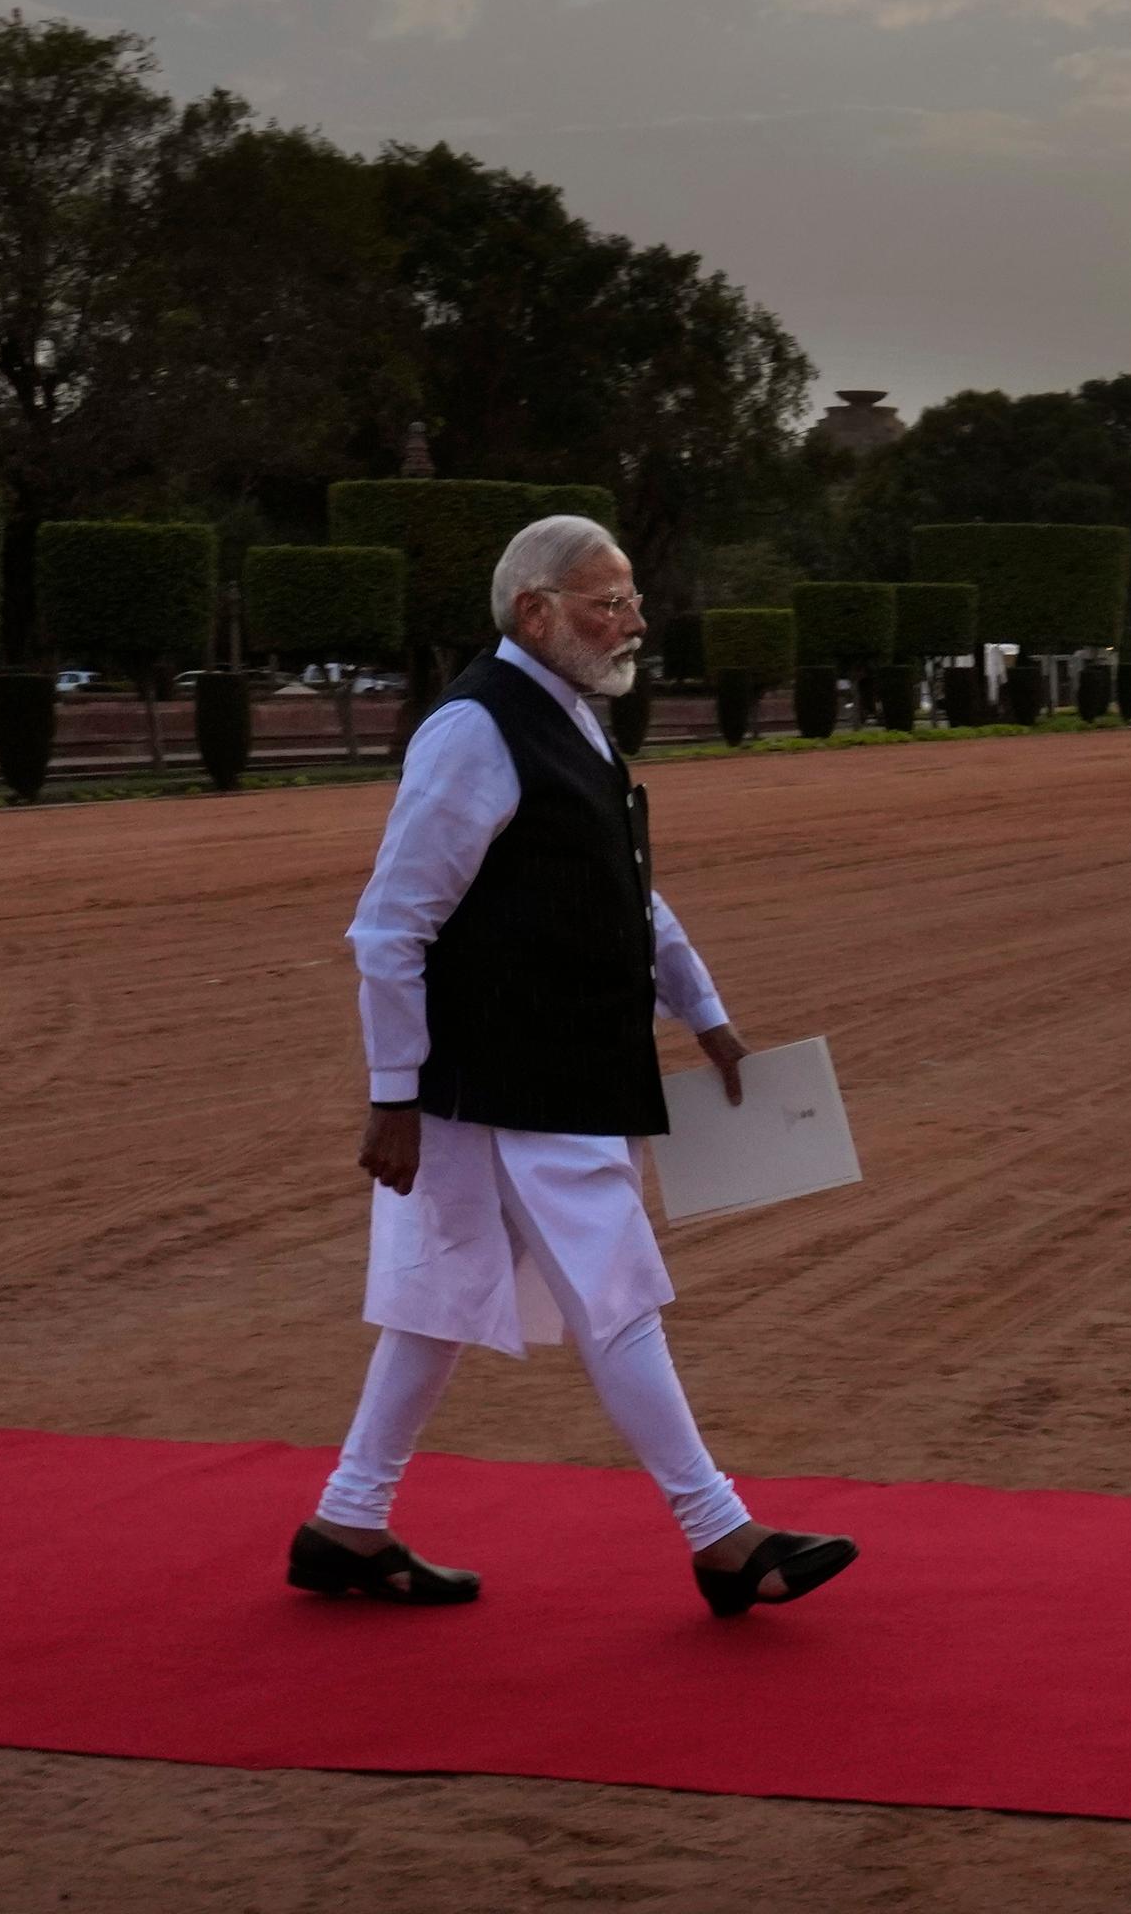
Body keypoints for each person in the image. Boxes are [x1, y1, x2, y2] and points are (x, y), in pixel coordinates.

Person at [287, 516, 857, 1619]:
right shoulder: (476, 731)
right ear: (532, 611)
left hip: (528, 1069)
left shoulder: (566, 721)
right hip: (514, 1075)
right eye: (607, 601)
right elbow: (390, 928)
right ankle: (722, 1535)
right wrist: (393, 1093)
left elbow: (619, 889)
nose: (632, 619)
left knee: (440, 1299)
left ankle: (347, 1523)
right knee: (615, 1291)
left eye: (632, 597)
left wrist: (706, 1013)